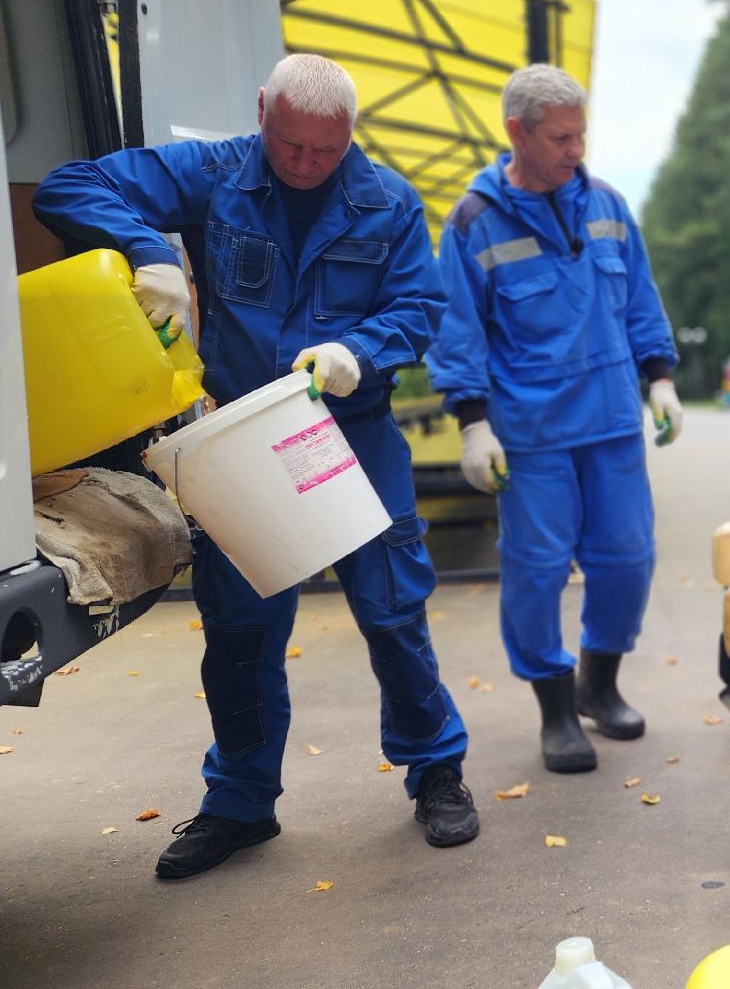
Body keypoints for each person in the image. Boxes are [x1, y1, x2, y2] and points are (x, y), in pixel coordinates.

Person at [33, 54, 479, 880]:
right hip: (239, 442)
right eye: (290, 144)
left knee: (391, 611)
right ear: (262, 110)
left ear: (351, 133)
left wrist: (360, 349)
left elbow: (421, 309)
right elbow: (66, 186)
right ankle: (240, 802)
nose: (306, 163)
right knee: (239, 629)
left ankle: (436, 770)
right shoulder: (213, 172)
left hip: (351, 433)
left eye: (326, 149)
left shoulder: (387, 202)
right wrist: (149, 252)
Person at [425, 64, 682, 775]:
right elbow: (459, 329)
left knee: (628, 558)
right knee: (536, 571)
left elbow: (639, 299)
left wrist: (658, 378)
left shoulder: (606, 205)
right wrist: (472, 422)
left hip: (610, 425)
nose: (576, 148)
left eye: (581, 133)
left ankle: (599, 683)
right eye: (560, 136)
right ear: (517, 132)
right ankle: (555, 707)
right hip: (531, 436)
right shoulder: (474, 222)